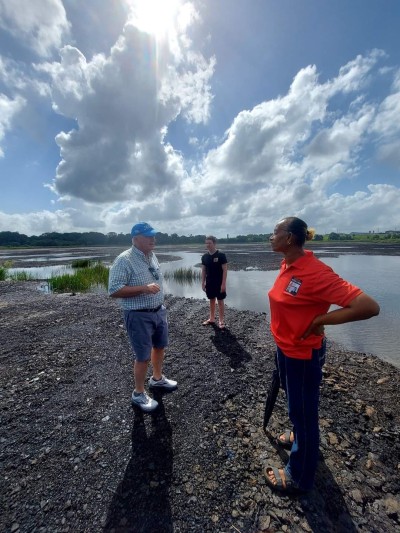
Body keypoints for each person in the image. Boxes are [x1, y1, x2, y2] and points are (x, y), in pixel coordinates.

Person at [265, 216, 380, 493]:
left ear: (289, 238)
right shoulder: (288, 264)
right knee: (296, 406)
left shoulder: (316, 272)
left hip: (303, 356)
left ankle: (298, 476)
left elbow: (368, 306)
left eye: (275, 232)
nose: (270, 236)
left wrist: (321, 320)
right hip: (286, 349)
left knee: (304, 413)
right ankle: (299, 438)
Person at [108, 222, 177, 413]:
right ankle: (138, 394)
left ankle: (157, 379)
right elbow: (114, 290)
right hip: (138, 315)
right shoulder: (124, 260)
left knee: (160, 346)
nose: (153, 239)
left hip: (158, 311)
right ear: (135, 239)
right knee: (143, 356)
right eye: (148, 236)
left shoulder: (152, 255)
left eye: (153, 236)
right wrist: (143, 289)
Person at [201, 235, 228, 329]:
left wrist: (223, 284)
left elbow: (225, 270)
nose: (208, 245)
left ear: (214, 243)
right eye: (206, 243)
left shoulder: (221, 255)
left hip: (219, 282)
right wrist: (203, 282)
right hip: (209, 282)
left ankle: (221, 321)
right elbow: (203, 270)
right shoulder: (204, 257)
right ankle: (212, 318)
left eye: (210, 243)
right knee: (211, 300)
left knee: (220, 301)